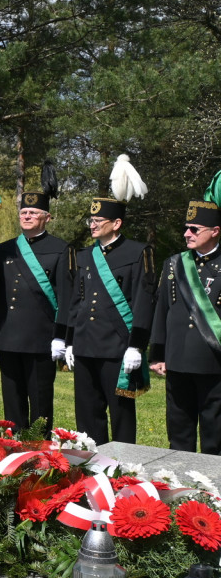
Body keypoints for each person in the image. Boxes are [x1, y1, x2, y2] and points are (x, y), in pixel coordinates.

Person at [65, 156, 155, 445]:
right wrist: (69, 340)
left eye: (98, 221)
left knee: (120, 414)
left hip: (118, 347)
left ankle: (123, 469)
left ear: (116, 223)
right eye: (90, 220)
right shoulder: (83, 256)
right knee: (87, 414)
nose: (92, 225)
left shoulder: (138, 252)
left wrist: (137, 345)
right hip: (86, 344)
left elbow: (144, 301)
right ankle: (94, 467)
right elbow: (76, 302)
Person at [0, 182, 73, 434]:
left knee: (40, 399)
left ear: (46, 218)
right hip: (7, 337)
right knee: (12, 400)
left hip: (41, 338)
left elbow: (67, 298)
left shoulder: (61, 249)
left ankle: (39, 448)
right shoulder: (4, 248)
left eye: (33, 213)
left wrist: (61, 336)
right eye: (23, 213)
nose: (27, 216)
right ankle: (15, 445)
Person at [149, 182, 221, 453]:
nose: (186, 234)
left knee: (215, 432)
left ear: (215, 231)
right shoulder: (174, 263)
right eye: (186, 228)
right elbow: (163, 310)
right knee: (179, 430)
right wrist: (157, 354)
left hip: (213, 362)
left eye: (194, 229)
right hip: (178, 360)